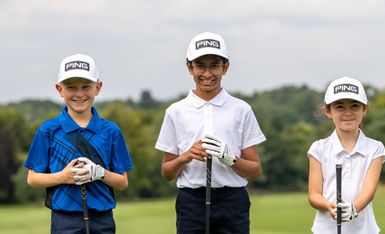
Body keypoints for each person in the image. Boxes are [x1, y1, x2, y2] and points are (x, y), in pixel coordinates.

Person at [155, 32, 266, 234]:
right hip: (191, 202)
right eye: (200, 65)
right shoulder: (175, 111)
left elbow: (255, 170)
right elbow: (167, 173)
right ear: (190, 67)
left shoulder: (241, 109)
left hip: (232, 201)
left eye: (214, 65)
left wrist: (231, 159)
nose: (207, 73)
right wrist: (185, 157)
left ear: (226, 67)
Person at [24, 53, 133, 234]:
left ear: (97, 87)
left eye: (86, 86)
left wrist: (100, 173)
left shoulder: (111, 131)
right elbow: (33, 179)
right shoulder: (48, 130)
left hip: (103, 219)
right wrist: (62, 177)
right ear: (60, 89)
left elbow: (122, 182)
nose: (79, 93)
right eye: (71, 87)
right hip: (64, 220)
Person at [307, 76, 385, 234]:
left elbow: (369, 189)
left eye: (354, 106)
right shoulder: (318, 148)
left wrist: (353, 209)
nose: (348, 112)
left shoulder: (375, 148)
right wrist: (327, 206)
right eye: (340, 107)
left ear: (364, 109)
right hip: (325, 230)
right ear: (328, 111)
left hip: (365, 230)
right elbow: (314, 194)